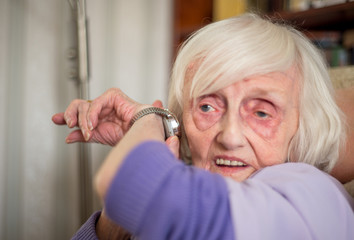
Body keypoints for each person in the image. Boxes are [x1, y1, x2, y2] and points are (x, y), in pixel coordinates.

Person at [52, 13, 354, 239]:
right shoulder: (202, 193)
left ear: (303, 124)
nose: (231, 137)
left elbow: (133, 185)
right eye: (207, 107)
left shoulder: (309, 192)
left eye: (262, 113)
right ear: (184, 119)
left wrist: (149, 119)